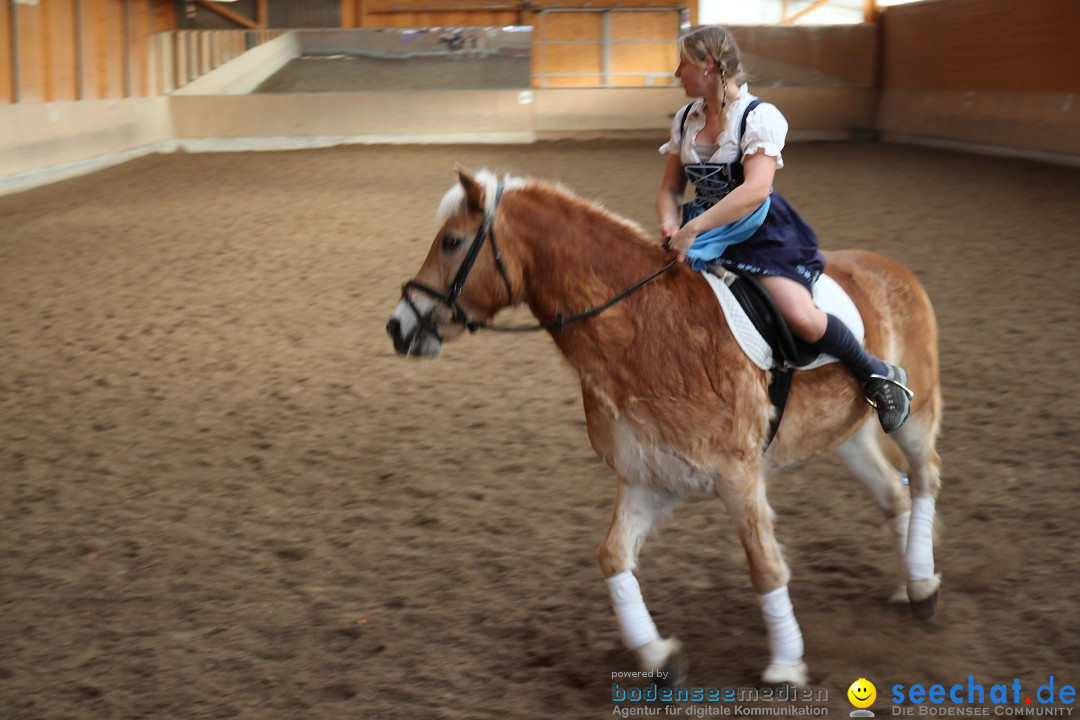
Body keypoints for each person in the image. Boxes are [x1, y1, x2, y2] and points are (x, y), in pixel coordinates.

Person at [657, 25, 913, 433]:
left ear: (707, 66)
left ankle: (878, 375)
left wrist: (693, 230)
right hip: (700, 232)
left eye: (682, 65)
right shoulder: (686, 120)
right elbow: (670, 188)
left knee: (801, 316)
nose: (676, 74)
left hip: (757, 234)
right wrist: (671, 222)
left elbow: (756, 191)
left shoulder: (759, 118)